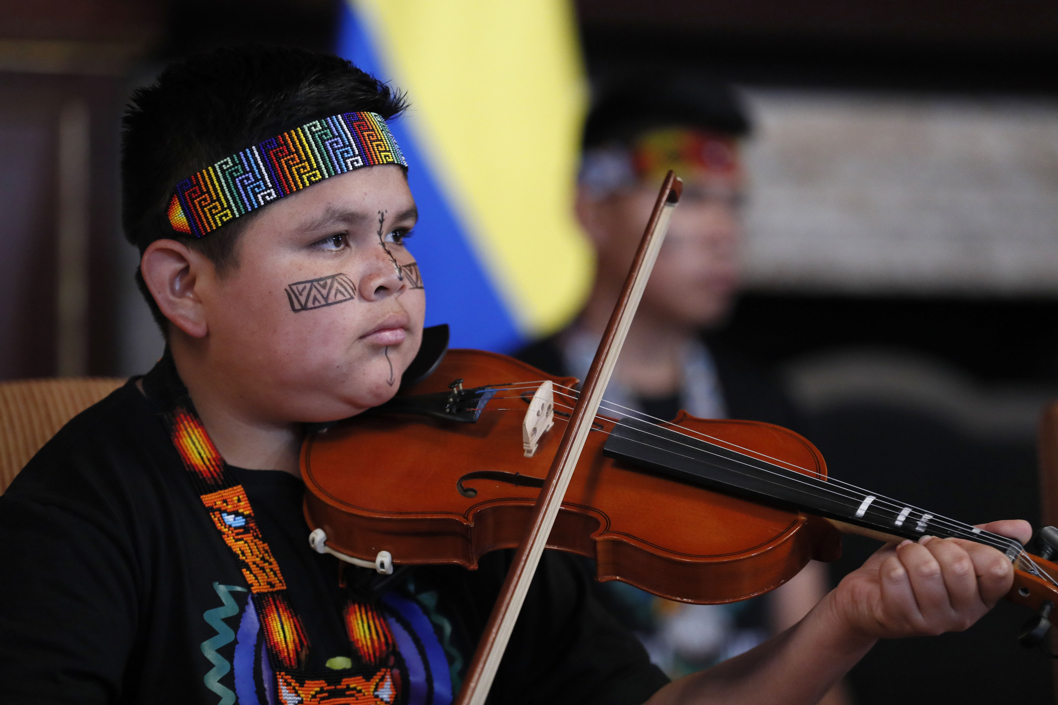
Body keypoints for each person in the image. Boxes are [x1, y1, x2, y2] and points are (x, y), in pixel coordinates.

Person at [0, 46, 1030, 705]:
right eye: (328, 242)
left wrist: (847, 621)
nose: (388, 273)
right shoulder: (82, 513)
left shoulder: (469, 479)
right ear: (184, 286)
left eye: (397, 233)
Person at [514, 77, 832, 681]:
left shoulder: (764, 404)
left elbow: (810, 647)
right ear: (591, 209)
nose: (723, 231)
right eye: (689, 199)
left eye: (734, 203)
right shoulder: (514, 397)